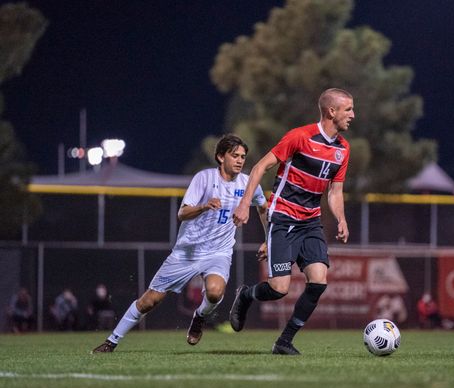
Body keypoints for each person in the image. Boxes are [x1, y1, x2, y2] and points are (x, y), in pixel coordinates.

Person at [93, 134, 268, 353]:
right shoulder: (203, 179)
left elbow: (263, 206)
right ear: (220, 157)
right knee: (150, 300)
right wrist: (204, 206)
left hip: (218, 252)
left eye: (243, 156)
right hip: (187, 252)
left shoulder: (247, 183)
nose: (240, 160)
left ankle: (199, 317)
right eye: (235, 156)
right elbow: (182, 213)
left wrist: (268, 239)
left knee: (215, 292)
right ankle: (112, 341)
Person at [229, 88, 354, 355]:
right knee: (278, 289)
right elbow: (261, 166)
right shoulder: (300, 136)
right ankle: (246, 295)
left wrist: (341, 218)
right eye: (349, 109)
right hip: (283, 217)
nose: (353, 115)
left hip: (311, 222)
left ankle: (284, 342)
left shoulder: (343, 149)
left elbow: (335, 191)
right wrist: (244, 204)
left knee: (319, 281)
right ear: (332, 111)